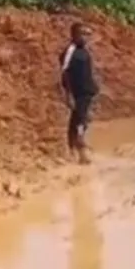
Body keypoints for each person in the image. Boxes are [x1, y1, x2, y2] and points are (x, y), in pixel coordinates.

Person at [59, 22, 98, 164]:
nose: (86, 37)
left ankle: (75, 148)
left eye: (88, 34)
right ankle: (80, 153)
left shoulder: (84, 51)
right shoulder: (70, 51)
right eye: (83, 34)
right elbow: (64, 73)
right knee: (79, 121)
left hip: (87, 92)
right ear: (74, 35)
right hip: (78, 93)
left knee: (82, 120)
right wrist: (68, 95)